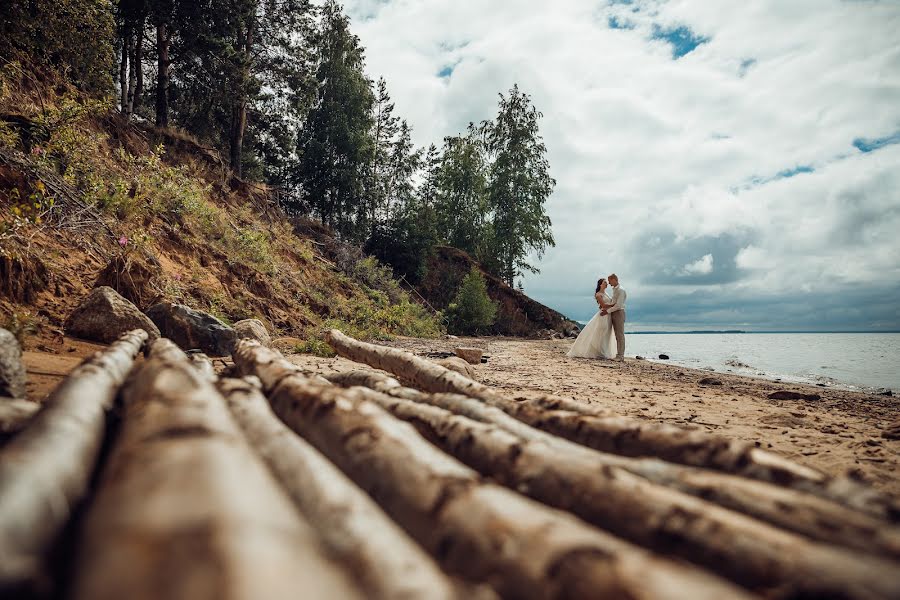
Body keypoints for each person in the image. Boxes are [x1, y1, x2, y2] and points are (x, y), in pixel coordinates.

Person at [567, 278, 615, 359]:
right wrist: (614, 305)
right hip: (603, 315)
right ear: (600, 284)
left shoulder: (606, 293)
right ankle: (599, 352)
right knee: (601, 332)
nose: (607, 284)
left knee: (607, 333)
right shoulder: (598, 294)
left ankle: (604, 351)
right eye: (605, 282)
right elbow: (603, 305)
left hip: (608, 315)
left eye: (606, 282)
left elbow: (603, 304)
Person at [600, 273, 626, 361]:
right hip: (614, 313)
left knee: (620, 335)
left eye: (610, 281)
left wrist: (607, 311)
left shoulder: (621, 290)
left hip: (619, 313)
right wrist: (605, 306)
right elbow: (613, 302)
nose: (609, 283)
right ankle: (618, 355)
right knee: (616, 334)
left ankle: (620, 356)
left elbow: (618, 305)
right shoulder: (615, 289)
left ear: (614, 279)